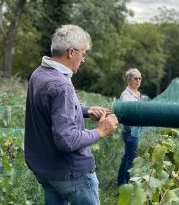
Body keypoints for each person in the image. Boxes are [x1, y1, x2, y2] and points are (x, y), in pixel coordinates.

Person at [24, 24, 118, 205]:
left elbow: (48, 109)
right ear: (70, 52)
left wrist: (85, 110)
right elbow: (67, 140)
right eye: (83, 53)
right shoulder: (61, 85)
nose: (83, 59)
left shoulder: (39, 73)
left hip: (46, 171)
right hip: (70, 173)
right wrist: (100, 131)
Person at [117, 68, 143, 186]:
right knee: (131, 158)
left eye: (139, 78)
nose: (138, 81)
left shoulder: (137, 94)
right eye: (135, 79)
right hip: (130, 129)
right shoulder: (126, 95)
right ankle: (126, 184)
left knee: (127, 156)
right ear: (129, 80)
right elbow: (129, 111)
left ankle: (121, 182)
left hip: (136, 129)